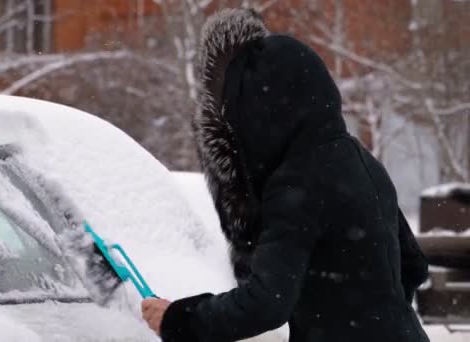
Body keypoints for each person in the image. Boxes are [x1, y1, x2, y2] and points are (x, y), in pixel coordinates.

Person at [141, 8, 430, 342]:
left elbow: (266, 303)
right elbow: (413, 265)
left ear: (261, 114)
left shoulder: (296, 185)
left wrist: (179, 319)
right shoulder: (362, 160)